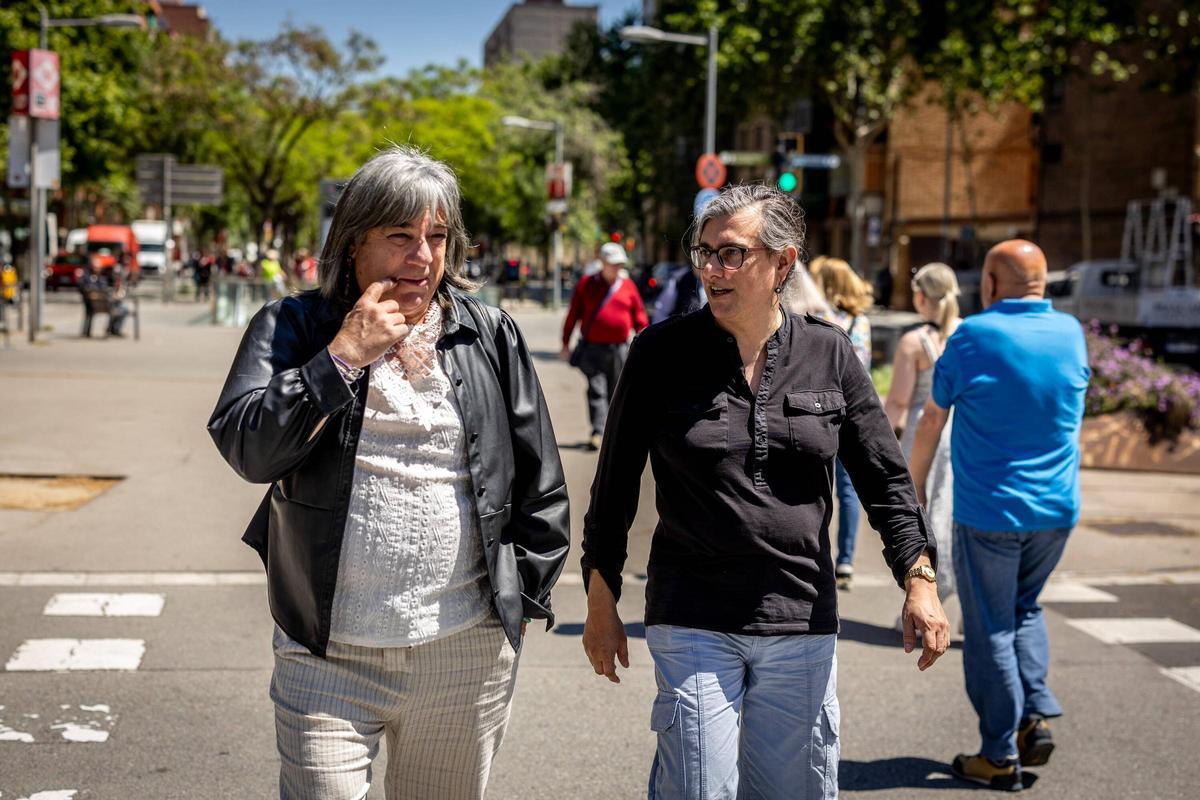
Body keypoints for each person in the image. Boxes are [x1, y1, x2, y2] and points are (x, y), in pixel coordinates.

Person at [208, 145, 570, 800]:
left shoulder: (489, 334)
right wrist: (344, 355)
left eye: (436, 237)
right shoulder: (293, 325)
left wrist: (518, 605)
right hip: (328, 653)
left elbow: (540, 479)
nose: (423, 258)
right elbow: (248, 447)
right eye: (400, 237)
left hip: (466, 652)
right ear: (354, 245)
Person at [580, 184, 949, 800]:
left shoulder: (829, 353)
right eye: (704, 253)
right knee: (699, 787)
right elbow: (613, 483)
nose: (712, 269)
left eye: (731, 254)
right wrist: (600, 599)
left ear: (783, 263)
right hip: (691, 615)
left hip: (799, 616)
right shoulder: (660, 354)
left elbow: (884, 478)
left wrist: (919, 579)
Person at [909, 240, 1089, 792]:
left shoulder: (974, 336)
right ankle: (1034, 713)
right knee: (1024, 610)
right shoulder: (1071, 333)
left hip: (991, 510)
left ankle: (998, 754)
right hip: (1057, 509)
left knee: (990, 627)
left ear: (988, 284)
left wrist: (911, 491)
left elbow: (933, 417)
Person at [883, 262, 961, 607]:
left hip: (922, 430)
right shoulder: (965, 334)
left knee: (920, 509)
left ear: (919, 296)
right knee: (951, 507)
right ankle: (956, 585)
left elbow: (899, 400)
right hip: (958, 429)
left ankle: (928, 589)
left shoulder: (914, 342)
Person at [813, 257, 874, 590]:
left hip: (817, 407)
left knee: (812, 483)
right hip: (850, 407)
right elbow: (863, 367)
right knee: (848, 490)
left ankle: (813, 553)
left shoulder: (816, 319)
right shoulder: (859, 321)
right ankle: (846, 560)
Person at [560, 241, 649, 450]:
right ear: (602, 262)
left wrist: (645, 340)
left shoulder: (628, 286)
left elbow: (640, 317)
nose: (617, 268)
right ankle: (598, 432)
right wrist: (565, 343)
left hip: (619, 349)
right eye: (613, 263)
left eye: (619, 264)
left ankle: (615, 431)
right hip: (592, 349)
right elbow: (573, 315)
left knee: (617, 391)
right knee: (596, 390)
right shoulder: (586, 284)